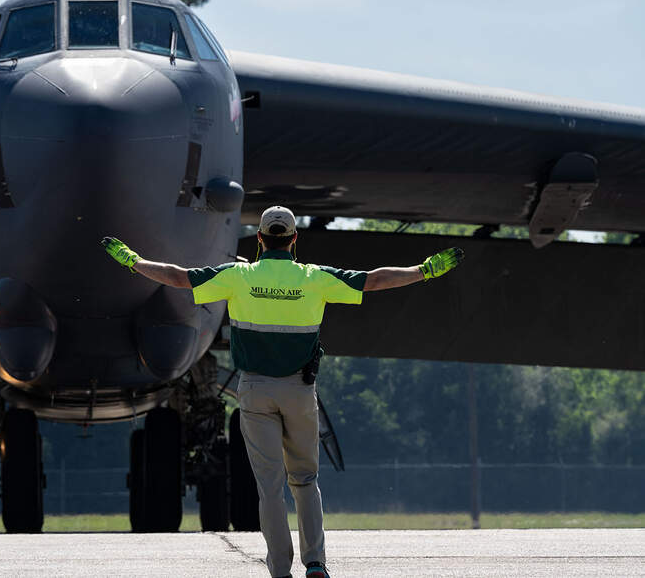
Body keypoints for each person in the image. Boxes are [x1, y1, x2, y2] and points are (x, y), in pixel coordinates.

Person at [100, 206, 464, 578]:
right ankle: (316, 563)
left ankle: (279, 570)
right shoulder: (314, 278)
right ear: (294, 239)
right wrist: (424, 270)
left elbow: (178, 278)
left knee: (269, 488)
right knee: (305, 480)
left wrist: (134, 261)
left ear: (259, 239)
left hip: (255, 392)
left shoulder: (237, 276)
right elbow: (372, 280)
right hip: (300, 392)